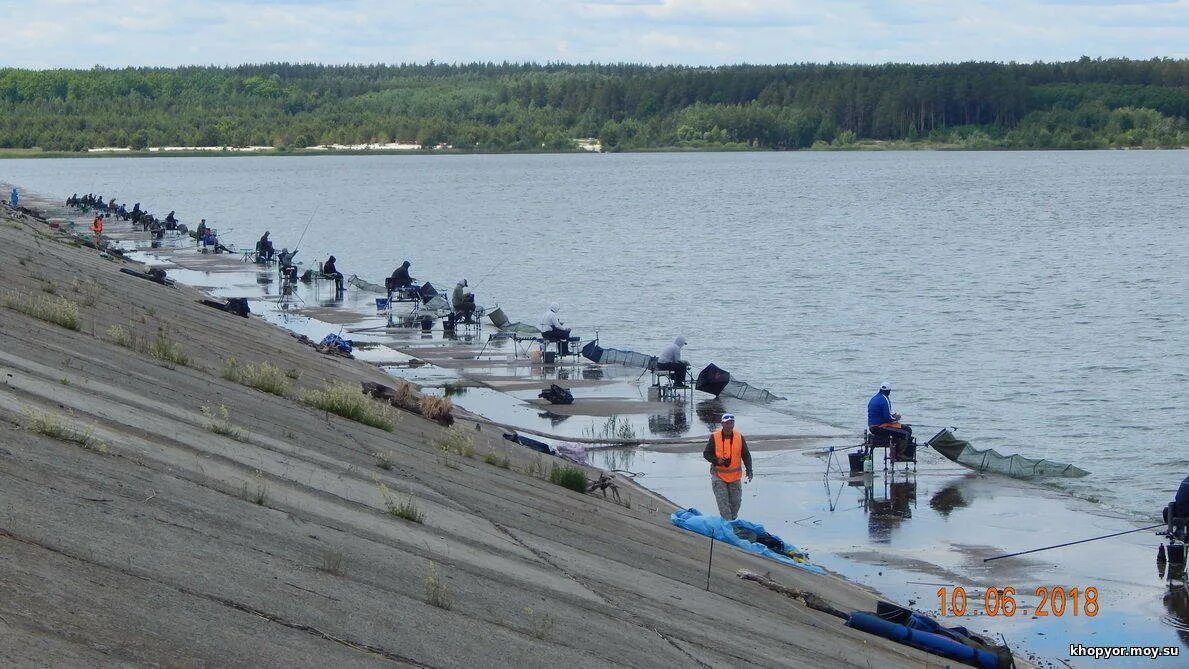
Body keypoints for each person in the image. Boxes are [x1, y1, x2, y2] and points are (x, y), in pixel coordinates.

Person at [702, 413, 752, 520]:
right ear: (722, 424)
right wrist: (717, 460)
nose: (730, 426)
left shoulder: (739, 437)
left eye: (732, 423)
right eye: (727, 423)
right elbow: (706, 454)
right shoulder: (714, 437)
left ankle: (732, 523)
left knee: (736, 503)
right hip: (719, 476)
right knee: (724, 505)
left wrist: (749, 469)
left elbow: (746, 455)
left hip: (735, 477)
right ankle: (728, 526)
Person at [868, 381, 912, 448]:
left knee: (900, 429)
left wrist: (892, 417)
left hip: (872, 426)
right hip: (879, 427)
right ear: (889, 391)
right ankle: (900, 455)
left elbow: (880, 415)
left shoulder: (874, 398)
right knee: (907, 431)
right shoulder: (885, 399)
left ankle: (894, 451)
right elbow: (888, 418)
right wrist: (896, 418)